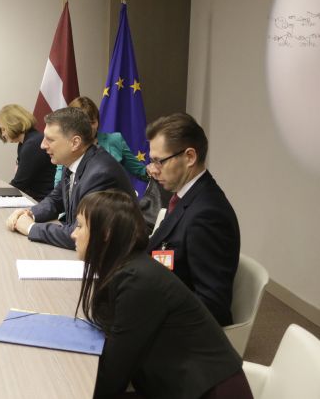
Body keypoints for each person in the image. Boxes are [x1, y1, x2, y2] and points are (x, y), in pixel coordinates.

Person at [72, 190, 252, 399]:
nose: (73, 234)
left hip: (208, 392)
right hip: (181, 386)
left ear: (106, 233)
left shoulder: (137, 282)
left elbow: (112, 378)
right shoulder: (129, 268)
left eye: (80, 226)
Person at [145, 113, 240, 326]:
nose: (153, 171)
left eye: (159, 162)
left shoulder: (208, 215)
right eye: (152, 161)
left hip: (181, 328)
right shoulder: (184, 196)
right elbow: (163, 251)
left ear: (189, 157)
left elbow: (213, 305)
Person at [6, 107, 135, 249]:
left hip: (112, 258)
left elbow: (81, 235)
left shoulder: (100, 174)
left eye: (50, 139)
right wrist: (30, 213)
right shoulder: (75, 161)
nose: (42, 145)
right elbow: (55, 200)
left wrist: (30, 228)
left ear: (75, 143)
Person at [53, 96, 147, 186]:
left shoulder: (115, 140)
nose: (90, 128)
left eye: (93, 122)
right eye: (85, 123)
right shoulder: (66, 146)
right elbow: (59, 186)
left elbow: (141, 172)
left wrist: (153, 170)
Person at [0, 104, 56, 201]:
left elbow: (19, 184)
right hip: (34, 198)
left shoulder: (32, 144)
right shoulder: (25, 142)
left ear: (14, 123)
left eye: (3, 129)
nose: (3, 134)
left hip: (41, 201)